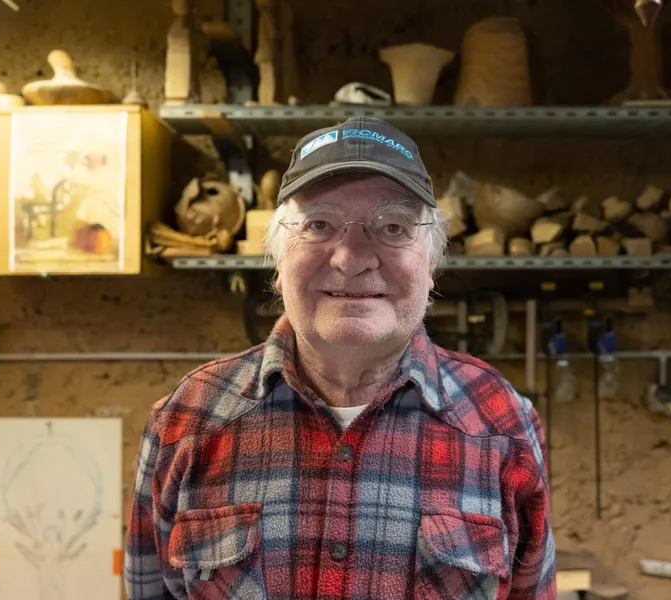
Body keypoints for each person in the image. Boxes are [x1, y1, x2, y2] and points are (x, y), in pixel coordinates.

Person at [124, 116, 556, 600]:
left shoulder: (500, 422)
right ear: (278, 262)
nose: (351, 258)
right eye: (320, 224)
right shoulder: (187, 421)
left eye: (392, 227)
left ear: (431, 265)